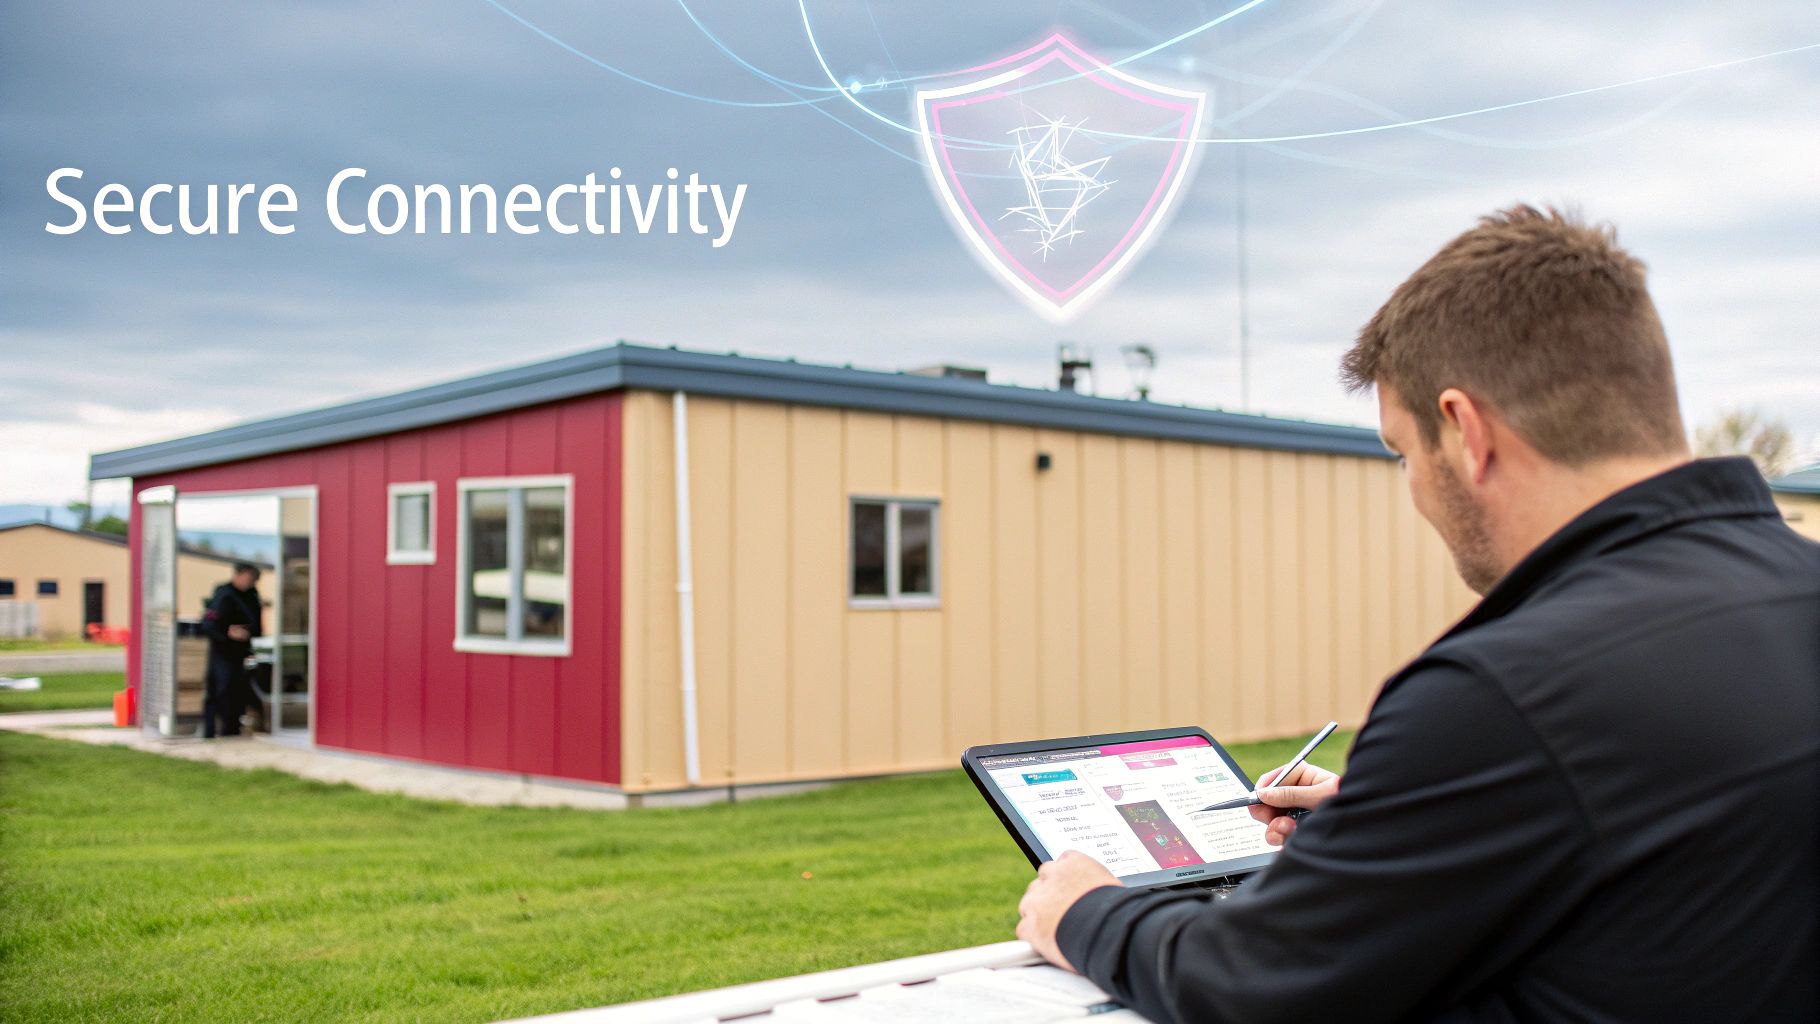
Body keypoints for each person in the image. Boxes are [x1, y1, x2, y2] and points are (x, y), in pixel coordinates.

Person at [1014, 206, 1819, 1022]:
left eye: (1402, 452)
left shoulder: (1503, 692)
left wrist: (1087, 911)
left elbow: (1251, 986)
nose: (1413, 490)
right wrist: (1406, 818)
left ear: (1467, 433)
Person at [200, 562, 263, 738]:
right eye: (250, 578)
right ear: (239, 575)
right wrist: (228, 633)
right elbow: (208, 624)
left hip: (242, 651)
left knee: (239, 692)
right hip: (222, 652)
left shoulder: (251, 596)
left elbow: (257, 625)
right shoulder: (224, 595)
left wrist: (249, 633)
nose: (251, 583)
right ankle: (210, 732)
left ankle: (232, 729)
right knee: (220, 690)